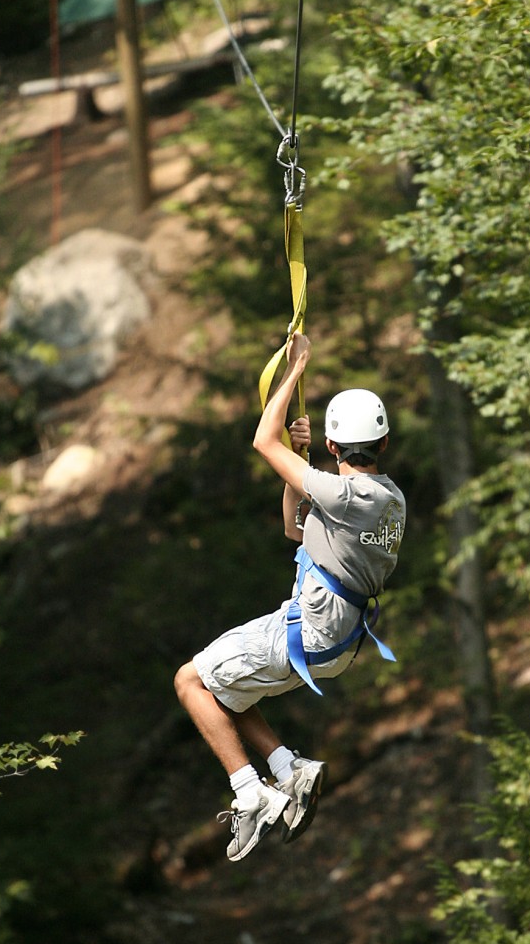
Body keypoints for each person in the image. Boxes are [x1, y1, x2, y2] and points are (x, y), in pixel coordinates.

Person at [174, 332, 406, 862]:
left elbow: (262, 441)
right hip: (336, 639)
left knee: (190, 682)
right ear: (385, 443)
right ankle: (287, 769)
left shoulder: (345, 494)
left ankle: (251, 795)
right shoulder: (389, 499)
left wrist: (294, 370)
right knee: (229, 693)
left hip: (313, 630)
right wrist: (297, 459)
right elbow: (293, 529)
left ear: (333, 447)